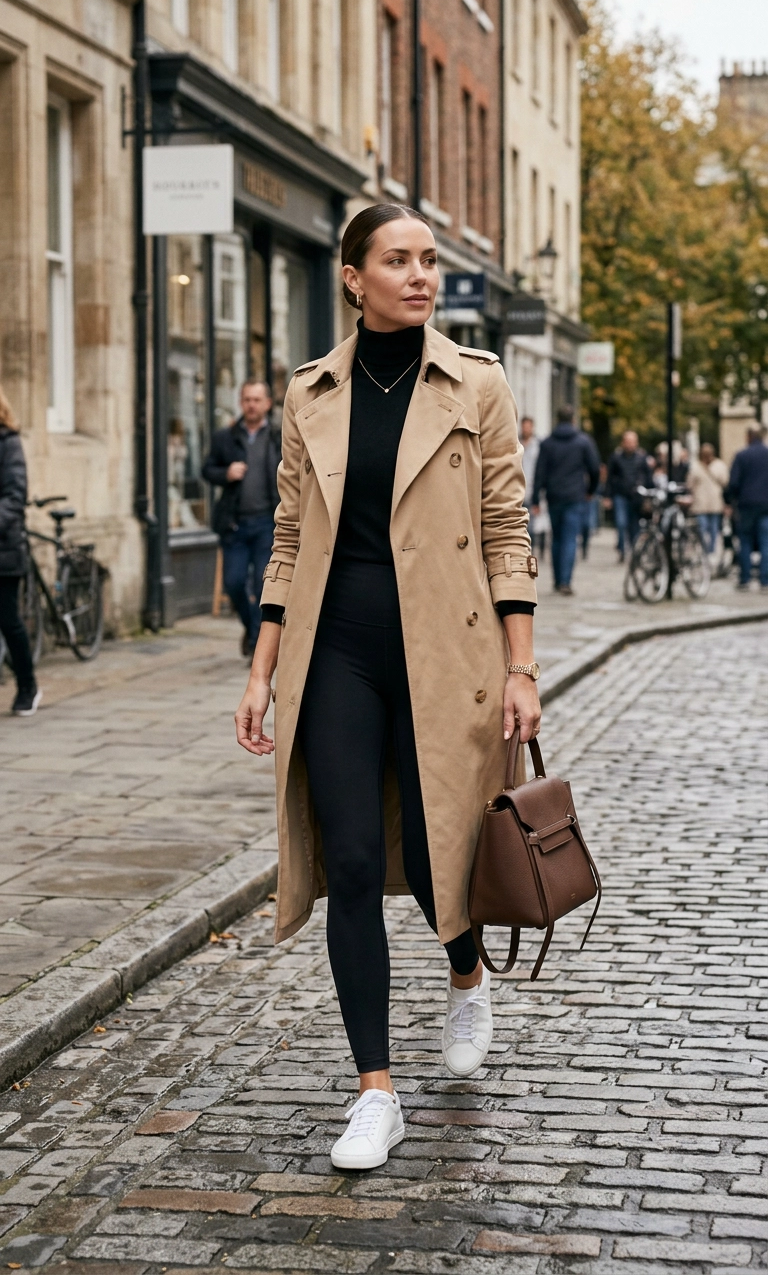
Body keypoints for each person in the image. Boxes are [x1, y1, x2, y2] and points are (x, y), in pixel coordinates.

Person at [234, 204, 540, 1170]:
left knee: (449, 845)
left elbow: (504, 529)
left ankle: (465, 973)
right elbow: (288, 537)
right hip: (338, 653)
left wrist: (522, 666)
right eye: (397, 260)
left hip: (449, 652)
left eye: (430, 260)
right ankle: (376, 1090)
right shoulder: (311, 392)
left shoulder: (475, 383)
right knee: (355, 863)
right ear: (352, 277)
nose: (420, 275)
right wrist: (262, 667)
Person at [202, 381, 281, 656]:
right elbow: (207, 469)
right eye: (247, 399)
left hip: (267, 525)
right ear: (240, 402)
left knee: (264, 585)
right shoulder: (225, 437)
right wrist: (226, 473)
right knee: (233, 583)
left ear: (267, 404)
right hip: (234, 524)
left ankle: (258, 646)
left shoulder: (278, 437)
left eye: (257, 399)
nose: (251, 404)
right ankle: (251, 628)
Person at [0, 387, 40, 716]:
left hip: (3, 549)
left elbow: (14, 497)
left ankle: (28, 685)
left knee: (8, 620)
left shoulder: (8, 442)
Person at [531, 405, 600, 595]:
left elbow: (540, 473)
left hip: (554, 497)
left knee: (557, 538)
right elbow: (594, 469)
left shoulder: (547, 444)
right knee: (570, 539)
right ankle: (565, 581)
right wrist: (590, 491)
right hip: (575, 496)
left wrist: (536, 498)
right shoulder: (583, 442)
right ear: (573, 420)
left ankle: (557, 579)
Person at [725, 421, 768, 591]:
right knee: (766, 542)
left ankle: (745, 578)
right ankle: (765, 579)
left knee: (745, 541)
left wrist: (730, 500)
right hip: (765, 504)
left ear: (749, 436)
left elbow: (733, 483)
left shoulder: (742, 455)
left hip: (747, 504)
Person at [605, 431, 652, 562]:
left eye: (632, 442)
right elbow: (609, 478)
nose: (630, 444)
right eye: (628, 441)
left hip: (636, 497)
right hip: (620, 494)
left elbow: (648, 478)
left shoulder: (642, 458)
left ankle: (633, 550)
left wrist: (648, 496)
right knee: (621, 523)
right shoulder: (616, 457)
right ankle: (621, 548)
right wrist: (607, 496)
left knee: (634, 526)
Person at [687, 443, 728, 555]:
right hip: (702, 502)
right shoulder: (696, 466)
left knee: (713, 529)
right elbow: (690, 483)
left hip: (713, 502)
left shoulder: (718, 465)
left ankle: (711, 550)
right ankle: (705, 550)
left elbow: (724, 481)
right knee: (703, 528)